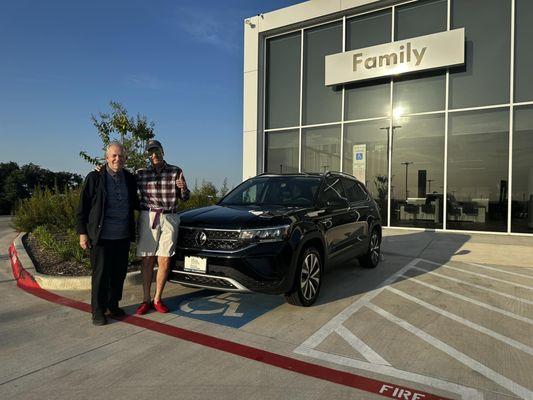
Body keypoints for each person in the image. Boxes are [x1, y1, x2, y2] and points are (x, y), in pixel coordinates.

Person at [76, 142, 139, 326]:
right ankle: (98, 310)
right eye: (114, 156)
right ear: (106, 158)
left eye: (121, 156)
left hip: (123, 236)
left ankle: (113, 305)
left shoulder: (129, 178)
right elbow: (82, 208)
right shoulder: (95, 177)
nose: (117, 159)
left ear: (125, 159)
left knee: (118, 274)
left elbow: (136, 201)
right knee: (101, 275)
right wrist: (82, 233)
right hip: (101, 236)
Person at [135, 139, 190, 314]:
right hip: (149, 216)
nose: (154, 155)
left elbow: (186, 197)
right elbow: (121, 180)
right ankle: (146, 299)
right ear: (148, 155)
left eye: (156, 151)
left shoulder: (176, 171)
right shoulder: (141, 173)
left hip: (169, 216)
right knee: (147, 259)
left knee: (164, 259)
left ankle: (158, 298)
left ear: (162, 151)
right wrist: (100, 170)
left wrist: (183, 189)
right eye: (150, 152)